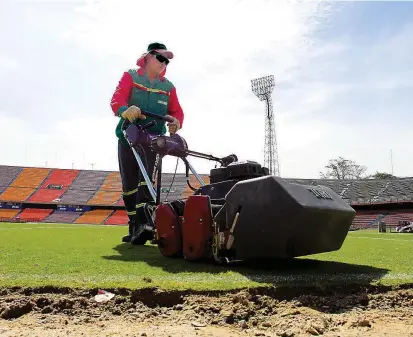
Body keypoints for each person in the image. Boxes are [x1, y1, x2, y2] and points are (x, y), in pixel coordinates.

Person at [110, 42, 184, 245]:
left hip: (153, 141)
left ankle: (146, 224)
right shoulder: (131, 76)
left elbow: (177, 111)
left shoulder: (168, 87)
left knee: (146, 182)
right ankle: (134, 224)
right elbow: (117, 99)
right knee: (129, 185)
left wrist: (176, 122)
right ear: (148, 57)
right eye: (160, 58)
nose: (163, 63)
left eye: (166, 61)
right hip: (128, 137)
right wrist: (125, 109)